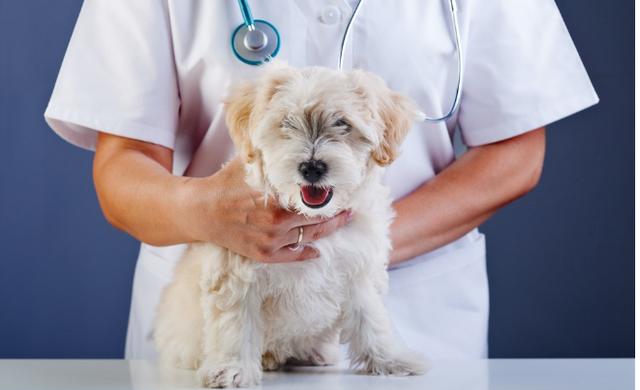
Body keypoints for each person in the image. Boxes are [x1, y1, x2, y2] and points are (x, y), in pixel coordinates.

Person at [44, 0, 598, 360]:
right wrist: (204, 211)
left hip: (411, 312)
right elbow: (122, 168)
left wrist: (351, 249)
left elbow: (516, 151)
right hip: (220, 319)